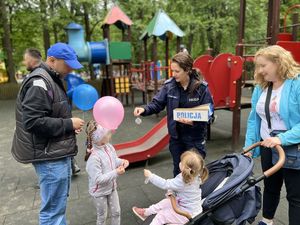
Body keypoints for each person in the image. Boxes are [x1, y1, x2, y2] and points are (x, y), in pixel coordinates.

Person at [11, 42, 85, 225]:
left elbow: (48, 113)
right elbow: (33, 122)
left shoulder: (50, 78)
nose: (70, 69)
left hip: (54, 151)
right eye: (67, 64)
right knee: (52, 212)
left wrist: (68, 126)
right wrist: (68, 123)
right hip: (48, 155)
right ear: (52, 60)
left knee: (57, 207)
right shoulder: (39, 82)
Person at [244, 45, 300, 225]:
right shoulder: (262, 87)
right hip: (267, 145)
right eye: (257, 66)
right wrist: (249, 145)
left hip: (292, 148)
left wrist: (281, 138)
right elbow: (254, 119)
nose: (259, 71)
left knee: (295, 195)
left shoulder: (296, 84)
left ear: (278, 63)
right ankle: (267, 221)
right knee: (270, 187)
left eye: (263, 66)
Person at [134, 52, 214, 177]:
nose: (173, 74)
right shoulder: (169, 86)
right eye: (172, 71)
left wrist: (194, 121)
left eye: (177, 71)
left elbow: (210, 115)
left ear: (187, 70)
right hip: (176, 138)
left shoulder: (201, 88)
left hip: (195, 138)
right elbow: (157, 104)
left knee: (195, 172)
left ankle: (196, 196)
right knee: (178, 170)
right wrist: (144, 109)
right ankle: (178, 195)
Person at [132, 150, 208, 224]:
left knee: (162, 215)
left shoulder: (183, 181)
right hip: (190, 207)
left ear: (184, 168)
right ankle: (146, 212)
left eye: (181, 162)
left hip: (187, 214)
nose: (180, 163)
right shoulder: (196, 175)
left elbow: (165, 184)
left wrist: (150, 176)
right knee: (165, 202)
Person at [85, 120, 129, 225]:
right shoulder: (94, 157)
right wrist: (116, 172)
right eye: (108, 133)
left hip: (112, 188)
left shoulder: (108, 147)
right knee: (102, 216)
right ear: (100, 138)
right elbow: (98, 179)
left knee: (117, 212)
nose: (110, 134)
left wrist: (122, 162)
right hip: (99, 192)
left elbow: (114, 160)